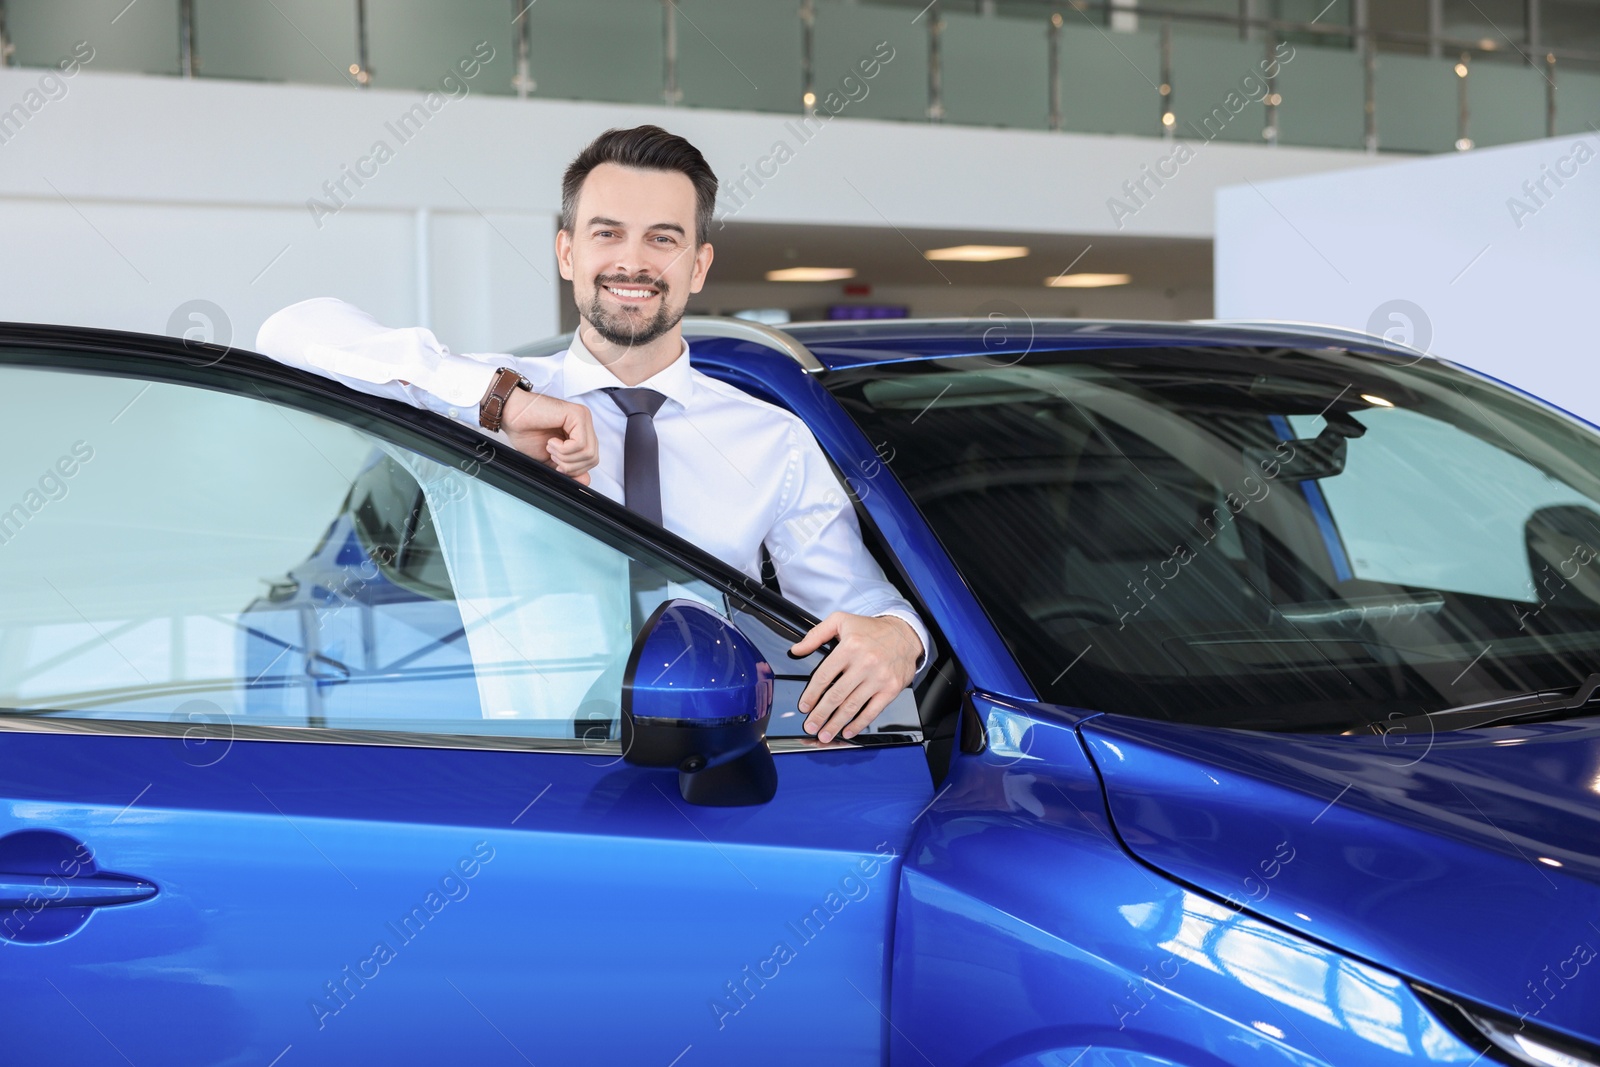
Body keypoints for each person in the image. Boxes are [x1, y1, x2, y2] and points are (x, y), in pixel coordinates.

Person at [256, 124, 929, 745]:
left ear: (698, 266)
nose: (632, 263)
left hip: (718, 773)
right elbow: (290, 333)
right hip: (535, 780)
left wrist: (900, 637)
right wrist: (501, 402)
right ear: (567, 252)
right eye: (607, 233)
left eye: (663, 238)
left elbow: (861, 604)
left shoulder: (772, 438)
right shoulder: (474, 401)